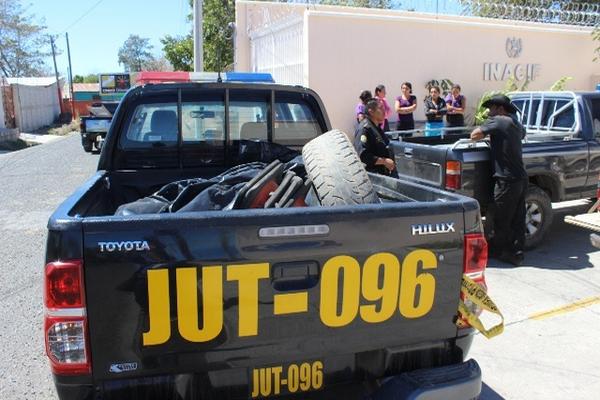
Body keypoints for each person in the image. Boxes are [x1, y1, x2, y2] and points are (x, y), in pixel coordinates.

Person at [470, 94, 527, 266]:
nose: (488, 111)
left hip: (506, 179)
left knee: (500, 218)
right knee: (517, 217)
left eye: (491, 108)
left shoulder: (499, 120)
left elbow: (474, 135)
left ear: (500, 109)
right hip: (520, 177)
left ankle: (500, 252)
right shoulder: (515, 122)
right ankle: (517, 253)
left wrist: (488, 128)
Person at [355, 99, 396, 176]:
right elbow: (363, 155)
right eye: (380, 108)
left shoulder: (376, 127)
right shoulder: (364, 129)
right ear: (371, 112)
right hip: (374, 176)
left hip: (385, 174)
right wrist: (384, 161)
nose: (384, 111)